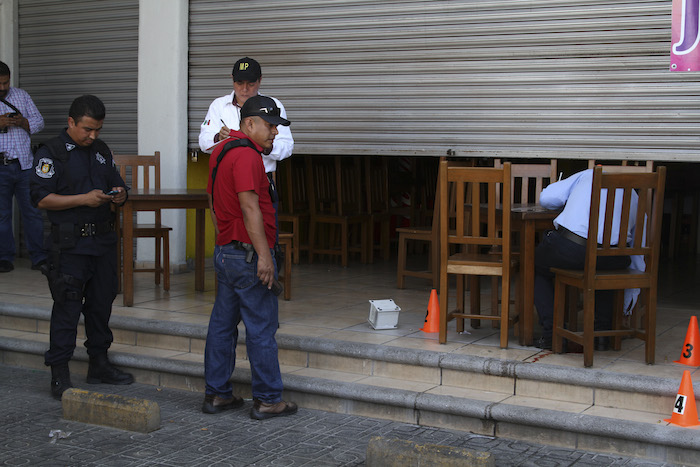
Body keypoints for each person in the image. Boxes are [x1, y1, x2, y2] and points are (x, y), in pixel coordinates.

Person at [30, 95, 134, 400]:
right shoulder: (51, 153)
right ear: (71, 122)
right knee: (67, 307)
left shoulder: (101, 150)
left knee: (101, 306)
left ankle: (99, 364)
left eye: (98, 130)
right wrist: (83, 199)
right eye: (88, 129)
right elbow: (40, 198)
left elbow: (119, 184)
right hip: (70, 245)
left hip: (102, 242)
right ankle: (59, 372)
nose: (93, 136)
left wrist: (119, 195)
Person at [203, 95, 297, 420]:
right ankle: (269, 399)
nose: (274, 133)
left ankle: (216, 394)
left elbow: (212, 201)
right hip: (246, 257)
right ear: (249, 124)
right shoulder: (246, 156)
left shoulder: (220, 151)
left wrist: (223, 241)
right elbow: (250, 206)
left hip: (227, 253)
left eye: (277, 127)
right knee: (260, 327)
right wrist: (264, 257)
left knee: (222, 326)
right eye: (270, 126)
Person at [533, 168, 643, 351]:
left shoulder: (588, 174)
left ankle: (552, 335)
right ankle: (601, 336)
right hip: (613, 258)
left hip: (574, 250)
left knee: (537, 264)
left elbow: (547, 199)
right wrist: (629, 301)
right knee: (604, 267)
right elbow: (640, 245)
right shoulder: (636, 193)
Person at [198, 57, 293, 174]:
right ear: (232, 79)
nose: (244, 89)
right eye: (239, 83)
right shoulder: (218, 106)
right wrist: (219, 138)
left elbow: (287, 147)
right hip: (228, 176)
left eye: (251, 84)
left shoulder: (273, 105)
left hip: (262, 176)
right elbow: (203, 143)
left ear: (260, 80)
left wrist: (266, 146)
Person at [0, 60, 48, 273]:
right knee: (2, 215)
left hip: (24, 165)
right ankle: (4, 258)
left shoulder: (21, 95)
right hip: (0, 166)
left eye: (6, 83)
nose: (3, 88)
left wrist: (22, 122)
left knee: (33, 212)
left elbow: (39, 122)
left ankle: (39, 258)